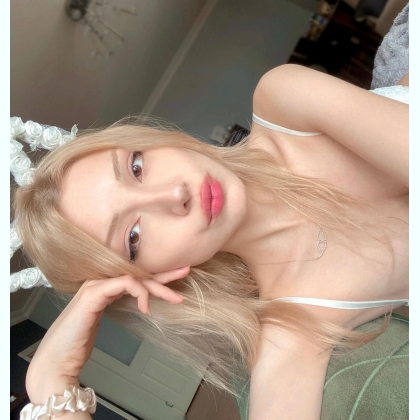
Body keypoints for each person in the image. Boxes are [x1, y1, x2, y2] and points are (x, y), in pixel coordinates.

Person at [13, 61, 408, 420]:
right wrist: (52, 383)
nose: (173, 194)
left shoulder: (283, 100)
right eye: (133, 236)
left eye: (136, 166)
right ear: (146, 276)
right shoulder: (291, 333)